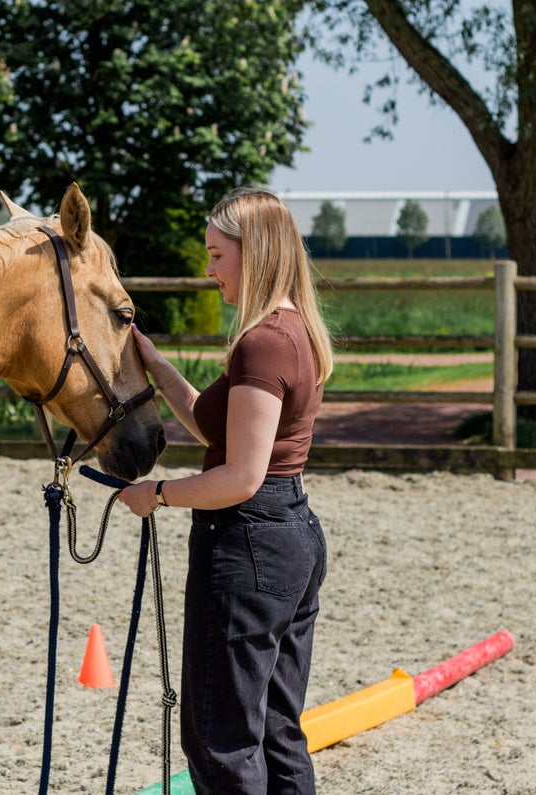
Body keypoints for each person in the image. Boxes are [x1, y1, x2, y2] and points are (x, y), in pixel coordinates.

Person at [118, 187, 335, 794]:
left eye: (218, 255)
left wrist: (158, 493)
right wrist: (158, 368)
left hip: (248, 544)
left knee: (221, 741)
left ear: (254, 251)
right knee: (276, 732)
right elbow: (216, 428)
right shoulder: (294, 331)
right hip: (289, 535)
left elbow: (241, 477)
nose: (209, 270)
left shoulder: (264, 342)